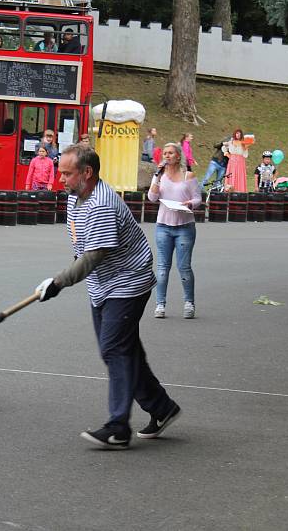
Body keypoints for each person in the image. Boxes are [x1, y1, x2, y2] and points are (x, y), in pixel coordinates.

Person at [34, 143, 181, 449]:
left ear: (87, 173)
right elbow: (82, 249)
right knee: (123, 350)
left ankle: (118, 427)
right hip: (103, 284)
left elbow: (92, 257)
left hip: (128, 281)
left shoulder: (100, 203)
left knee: (114, 348)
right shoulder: (76, 198)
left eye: (67, 173)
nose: (60, 179)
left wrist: (58, 283)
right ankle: (161, 407)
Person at [147, 142, 200, 319]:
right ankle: (160, 304)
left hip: (185, 226)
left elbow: (197, 198)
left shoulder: (188, 175)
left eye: (170, 153)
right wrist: (156, 177)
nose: (167, 156)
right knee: (162, 268)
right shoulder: (159, 175)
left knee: (184, 267)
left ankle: (189, 303)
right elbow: (152, 197)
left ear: (178, 156)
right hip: (163, 226)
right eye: (165, 153)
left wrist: (190, 203)